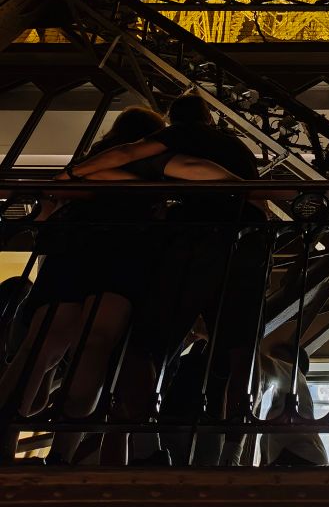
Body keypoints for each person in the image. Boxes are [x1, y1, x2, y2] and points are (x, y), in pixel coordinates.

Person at [98, 93, 268, 466]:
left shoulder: (181, 136)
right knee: (241, 352)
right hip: (247, 242)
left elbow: (127, 156)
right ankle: (235, 453)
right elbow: (257, 199)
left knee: (146, 345)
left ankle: (139, 445)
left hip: (193, 242)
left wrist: (72, 176)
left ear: (174, 121)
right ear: (209, 117)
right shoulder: (234, 145)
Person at [0, 106, 166, 465]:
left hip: (72, 249)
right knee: (97, 344)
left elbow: (51, 208)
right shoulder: (152, 163)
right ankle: (63, 451)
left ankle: (4, 441)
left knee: (39, 347)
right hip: (125, 249)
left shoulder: (89, 163)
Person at [260, 345, 327, 467]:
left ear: (294, 361)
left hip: (303, 457)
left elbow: (259, 360)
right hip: (304, 458)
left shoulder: (293, 372)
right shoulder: (284, 391)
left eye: (279, 357)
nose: (274, 358)